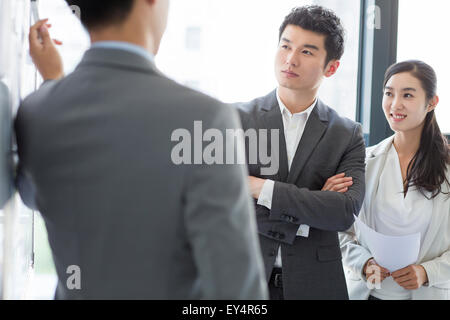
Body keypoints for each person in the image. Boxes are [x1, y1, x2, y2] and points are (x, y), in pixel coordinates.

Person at [15, 0, 268, 299]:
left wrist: (53, 84)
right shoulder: (206, 120)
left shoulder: (36, 111)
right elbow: (237, 293)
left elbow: (38, 197)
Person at [236, 5, 366, 300]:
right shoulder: (233, 119)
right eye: (286, 46)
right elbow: (217, 200)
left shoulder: (347, 134)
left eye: (307, 52)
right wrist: (315, 205)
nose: (290, 59)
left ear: (331, 67)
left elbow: (343, 213)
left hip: (317, 285)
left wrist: (258, 187)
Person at [339, 60, 450, 300]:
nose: (395, 104)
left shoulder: (447, 168)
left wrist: (427, 272)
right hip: (369, 294)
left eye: (407, 95)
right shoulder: (364, 161)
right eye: (389, 94)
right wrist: (363, 263)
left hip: (425, 293)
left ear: (432, 102)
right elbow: (341, 230)